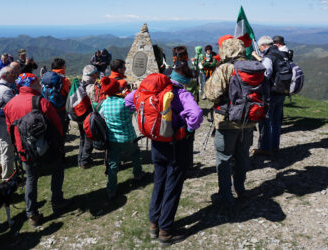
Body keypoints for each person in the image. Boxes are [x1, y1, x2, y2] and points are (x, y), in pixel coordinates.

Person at [134, 71, 202, 246]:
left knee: (159, 181)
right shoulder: (180, 93)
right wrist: (188, 129)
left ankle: (153, 224)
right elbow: (196, 114)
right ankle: (165, 231)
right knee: (172, 186)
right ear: (183, 81)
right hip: (175, 145)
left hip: (156, 143)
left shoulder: (148, 90)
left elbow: (129, 102)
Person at [4, 73, 71, 227]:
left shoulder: (10, 105)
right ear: (31, 85)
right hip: (45, 147)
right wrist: (59, 142)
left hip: (24, 150)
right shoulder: (41, 101)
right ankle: (57, 201)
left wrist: (18, 147)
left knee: (31, 179)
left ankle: (32, 214)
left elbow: (10, 130)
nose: (39, 85)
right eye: (36, 83)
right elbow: (57, 124)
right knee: (57, 169)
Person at [204, 36, 256, 206]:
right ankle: (241, 189)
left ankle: (225, 195)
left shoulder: (225, 69)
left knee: (224, 158)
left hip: (227, 122)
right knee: (242, 156)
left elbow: (212, 95)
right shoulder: (254, 67)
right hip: (248, 121)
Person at [99, 77, 144, 200]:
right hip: (128, 136)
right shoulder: (123, 102)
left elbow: (101, 116)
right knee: (135, 154)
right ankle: (138, 174)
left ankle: (111, 189)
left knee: (113, 163)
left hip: (112, 138)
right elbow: (134, 110)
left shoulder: (104, 103)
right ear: (116, 89)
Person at [253, 36, 287, 156]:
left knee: (266, 120)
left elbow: (265, 75)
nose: (260, 50)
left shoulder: (269, 57)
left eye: (260, 48)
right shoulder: (282, 54)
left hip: (271, 93)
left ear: (263, 46)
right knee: (276, 121)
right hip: (282, 91)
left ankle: (265, 148)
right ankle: (275, 146)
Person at [0, 66, 16, 180]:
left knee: (1, 148)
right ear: (3, 76)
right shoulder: (5, 90)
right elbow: (13, 107)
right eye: (11, 74)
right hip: (3, 124)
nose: (14, 76)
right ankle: (7, 177)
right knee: (7, 151)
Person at [77, 65, 98, 169]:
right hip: (87, 116)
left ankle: (80, 159)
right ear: (93, 74)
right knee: (88, 138)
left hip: (79, 114)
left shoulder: (81, 83)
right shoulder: (90, 86)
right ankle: (85, 161)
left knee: (82, 138)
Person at [49, 58, 71, 134]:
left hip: (47, 107)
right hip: (60, 108)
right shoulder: (64, 80)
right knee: (61, 128)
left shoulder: (46, 77)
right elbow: (69, 93)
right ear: (62, 67)